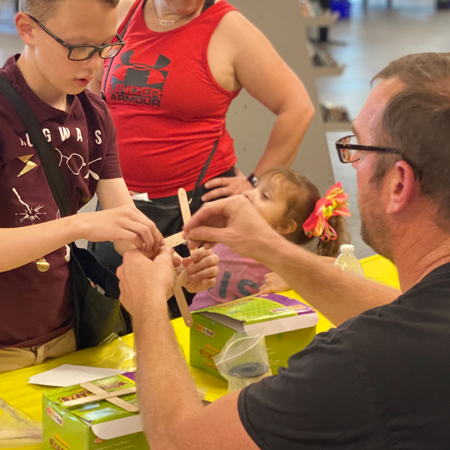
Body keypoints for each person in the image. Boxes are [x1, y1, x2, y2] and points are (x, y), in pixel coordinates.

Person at [117, 52, 450, 449]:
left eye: (358, 150)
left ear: (399, 185)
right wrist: (272, 248)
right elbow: (402, 313)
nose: (354, 167)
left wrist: (149, 308)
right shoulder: (424, 326)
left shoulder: (361, 366)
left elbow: (181, 441)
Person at [0, 0, 218, 373]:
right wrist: (80, 225)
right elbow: (92, 225)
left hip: (69, 333)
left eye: (106, 46)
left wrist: (172, 269)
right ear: (28, 29)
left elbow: (126, 229)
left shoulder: (94, 114)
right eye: (79, 48)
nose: (94, 63)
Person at [88, 0, 315, 278]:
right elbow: (96, 87)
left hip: (193, 207)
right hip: (119, 198)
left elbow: (297, 108)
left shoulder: (229, 29)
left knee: (189, 310)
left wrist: (255, 182)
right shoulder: (123, 12)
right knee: (112, 304)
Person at [191, 167, 350, 310]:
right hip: (195, 328)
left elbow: (343, 268)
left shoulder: (284, 257)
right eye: (255, 186)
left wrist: (289, 278)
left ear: (285, 226)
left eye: (264, 196)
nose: (248, 193)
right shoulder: (224, 231)